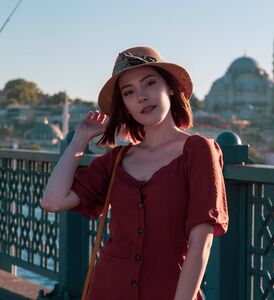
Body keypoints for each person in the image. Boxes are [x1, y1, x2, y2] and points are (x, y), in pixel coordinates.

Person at [41, 46, 229, 300]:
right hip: (107, 290)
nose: (141, 96)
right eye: (129, 92)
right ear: (125, 105)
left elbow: (201, 242)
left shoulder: (198, 151)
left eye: (149, 83)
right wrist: (79, 141)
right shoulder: (118, 159)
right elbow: (52, 200)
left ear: (170, 87)